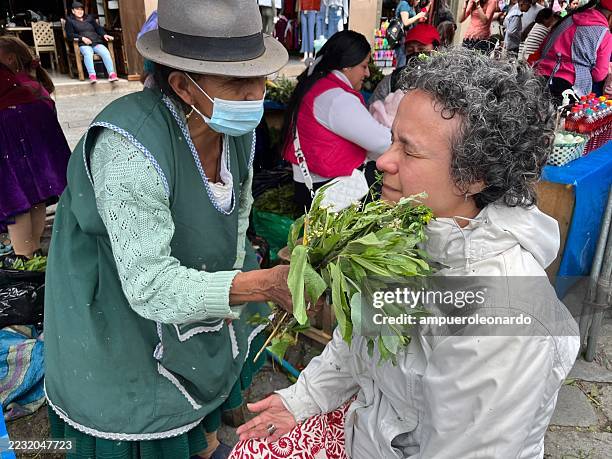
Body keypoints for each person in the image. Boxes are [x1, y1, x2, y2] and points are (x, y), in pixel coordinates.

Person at [231, 47, 580, 459]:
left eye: (409, 150)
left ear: (473, 177)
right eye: (392, 139)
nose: (384, 161)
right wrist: (301, 400)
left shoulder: (505, 314)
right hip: (373, 430)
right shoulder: (407, 231)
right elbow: (359, 339)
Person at [43, 0, 291, 458]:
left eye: (261, 78)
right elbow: (150, 285)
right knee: (140, 400)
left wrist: (233, 278)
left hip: (194, 277)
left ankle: (207, 441)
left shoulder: (238, 132)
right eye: (238, 84)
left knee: (204, 375)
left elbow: (238, 213)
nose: (257, 94)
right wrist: (258, 286)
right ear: (182, 84)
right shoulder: (127, 149)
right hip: (117, 293)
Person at [281, 30, 391, 209]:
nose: (368, 73)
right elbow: (382, 142)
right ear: (347, 65)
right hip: (332, 189)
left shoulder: (317, 85)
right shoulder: (336, 98)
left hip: (312, 186)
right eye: (364, 66)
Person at [0, 38, 70, 266]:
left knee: (16, 202)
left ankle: (28, 265)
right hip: (33, 136)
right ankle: (36, 260)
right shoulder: (30, 85)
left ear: (10, 58)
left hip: (11, 130)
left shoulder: (21, 84)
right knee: (33, 197)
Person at [536, 0, 612, 99]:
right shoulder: (604, 34)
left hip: (538, 77)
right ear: (610, 17)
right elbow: (599, 75)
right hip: (570, 89)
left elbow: (543, 49)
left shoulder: (568, 20)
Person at [368, 23, 441, 108]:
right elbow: (373, 107)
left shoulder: (446, 81)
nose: (416, 54)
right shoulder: (394, 80)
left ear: (436, 50)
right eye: (410, 50)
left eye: (422, 49)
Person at [64, 1, 118, 83]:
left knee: (105, 52)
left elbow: (98, 28)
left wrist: (104, 35)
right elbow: (69, 35)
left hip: (96, 42)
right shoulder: (70, 21)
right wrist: (82, 38)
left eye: (81, 9)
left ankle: (112, 74)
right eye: (77, 9)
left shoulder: (89, 18)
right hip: (83, 44)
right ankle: (92, 75)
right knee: (88, 53)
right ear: (73, 11)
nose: (80, 11)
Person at [394, 0, 428, 67]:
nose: (419, 1)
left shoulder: (410, 5)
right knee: (401, 62)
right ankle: (397, 77)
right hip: (401, 37)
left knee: (405, 61)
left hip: (407, 37)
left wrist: (419, 19)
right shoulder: (404, 4)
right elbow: (405, 22)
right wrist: (418, 16)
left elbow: (411, 20)